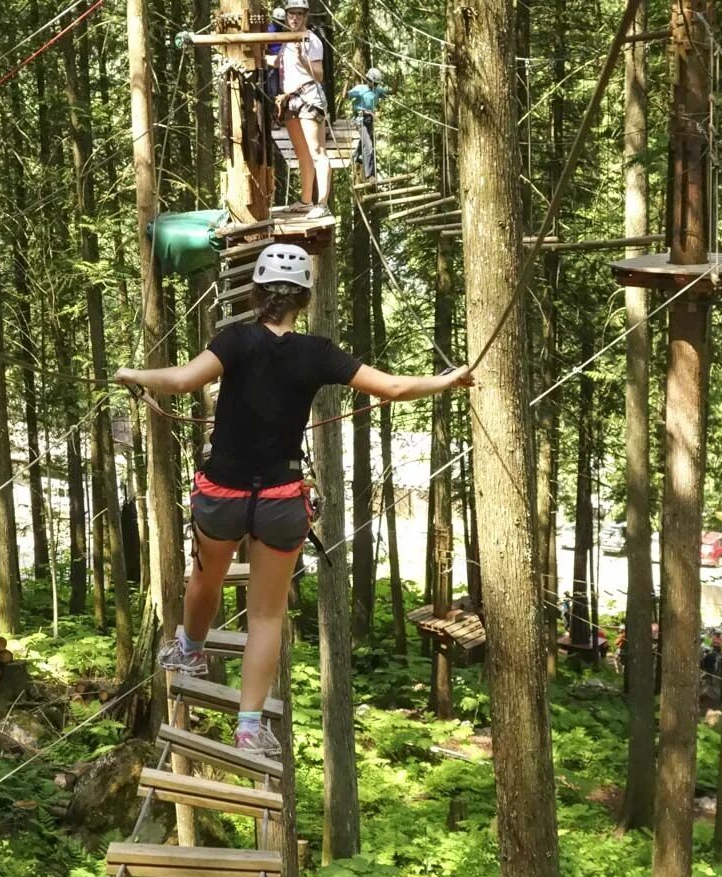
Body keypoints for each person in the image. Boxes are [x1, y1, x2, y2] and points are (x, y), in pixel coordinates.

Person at [115, 243, 474, 756]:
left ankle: (190, 650)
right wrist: (446, 381)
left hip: (222, 492)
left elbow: (182, 380)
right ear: (304, 298)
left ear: (258, 292)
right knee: (265, 616)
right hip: (282, 499)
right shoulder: (318, 352)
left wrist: (135, 376)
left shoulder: (235, 340)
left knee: (206, 578)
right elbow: (391, 388)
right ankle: (248, 726)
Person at [276, 0, 332, 220]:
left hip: (309, 98)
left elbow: (318, 74)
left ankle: (322, 203)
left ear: (305, 16)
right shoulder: (285, 41)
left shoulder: (312, 40)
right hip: (291, 101)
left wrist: (301, 56)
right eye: (292, 14)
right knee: (302, 153)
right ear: (287, 15)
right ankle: (306, 200)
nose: (295, 18)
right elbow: (279, 63)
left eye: (299, 14)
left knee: (317, 151)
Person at [347, 67, 388, 181]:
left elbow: (391, 92)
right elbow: (345, 96)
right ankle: (369, 175)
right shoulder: (360, 89)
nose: (375, 85)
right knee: (369, 146)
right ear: (369, 80)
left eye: (376, 84)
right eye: (374, 83)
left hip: (369, 120)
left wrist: (396, 81)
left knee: (364, 143)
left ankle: (355, 156)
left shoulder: (377, 90)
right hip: (359, 119)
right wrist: (347, 81)